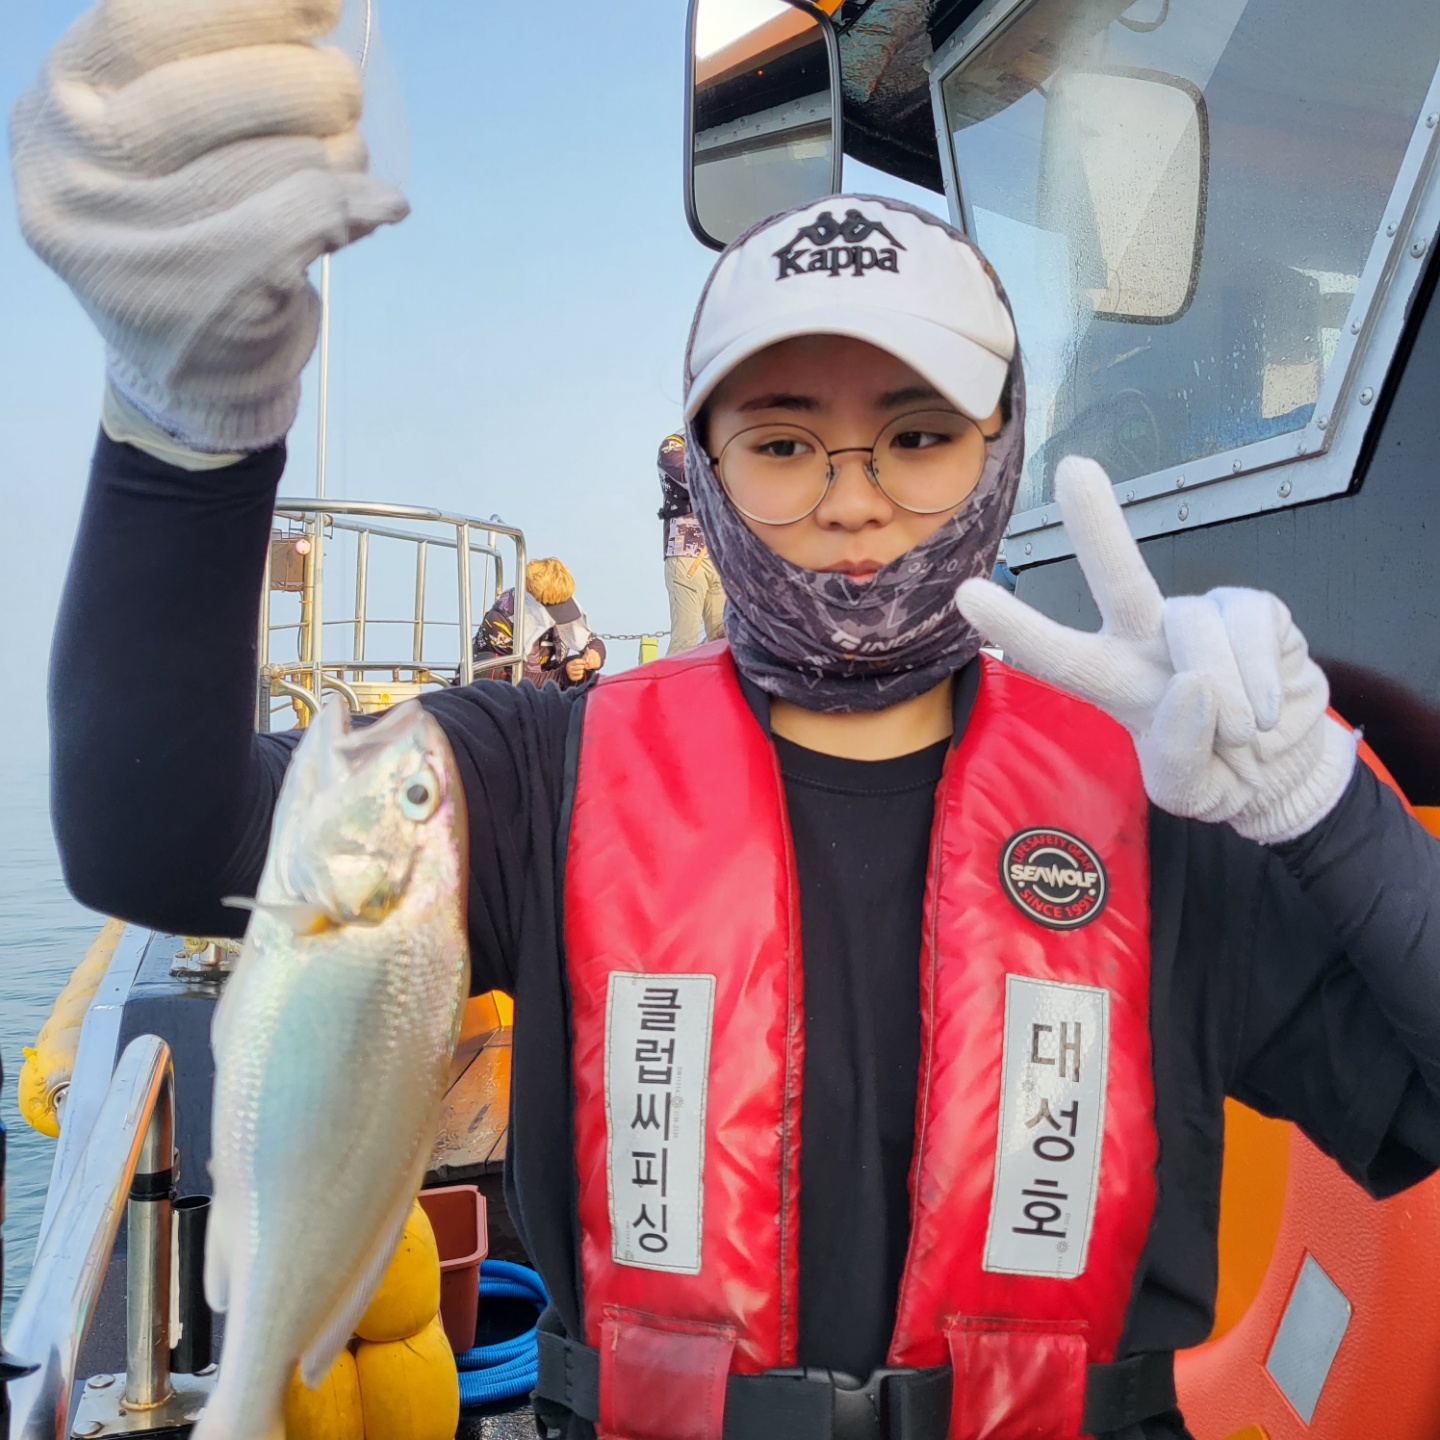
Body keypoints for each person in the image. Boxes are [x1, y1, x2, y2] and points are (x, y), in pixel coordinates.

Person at [13, 12, 1440, 1436]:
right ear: (702, 470)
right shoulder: (537, 773)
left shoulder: (1161, 803)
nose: (852, 498)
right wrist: (188, 426)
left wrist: (1320, 807)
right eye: (781, 443)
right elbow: (154, 834)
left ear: (1000, 449)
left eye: (918, 435)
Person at [473, 557, 606, 689]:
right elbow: (514, 677)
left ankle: (573, 701)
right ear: (532, 600)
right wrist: (562, 676)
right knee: (492, 668)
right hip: (505, 682)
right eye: (553, 606)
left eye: (561, 604)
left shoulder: (559, 596)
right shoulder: (501, 619)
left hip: (540, 672)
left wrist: (595, 654)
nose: (559, 612)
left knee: (580, 668)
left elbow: (591, 641)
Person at [657, 431, 726, 653]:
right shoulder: (673, 445)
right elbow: (689, 477)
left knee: (723, 641)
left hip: (718, 558)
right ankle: (674, 677)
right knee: (685, 640)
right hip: (685, 553)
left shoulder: (720, 447)